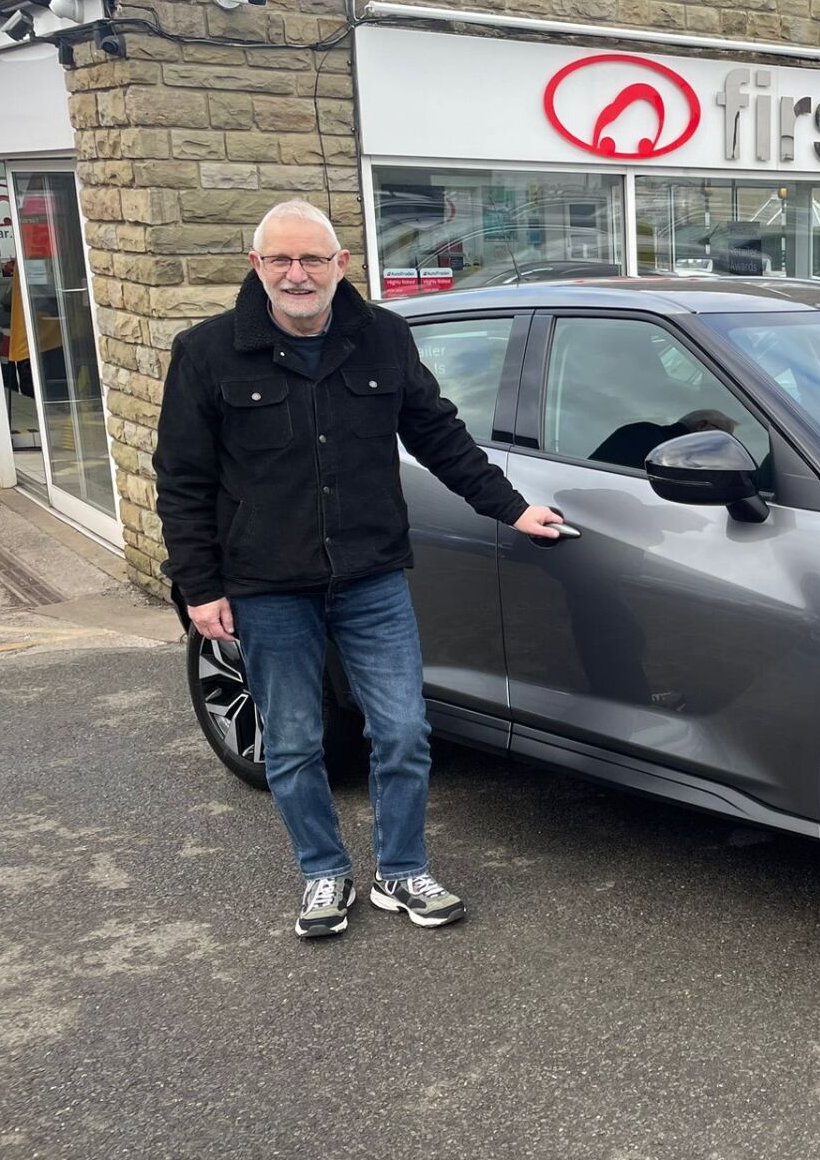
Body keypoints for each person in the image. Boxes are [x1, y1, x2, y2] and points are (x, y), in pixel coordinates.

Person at [154, 200, 565, 938]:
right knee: (293, 740)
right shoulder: (208, 353)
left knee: (404, 730)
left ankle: (402, 871)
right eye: (280, 259)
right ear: (257, 267)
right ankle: (322, 873)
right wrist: (198, 586)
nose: (297, 273)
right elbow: (182, 479)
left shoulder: (382, 336)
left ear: (341, 265)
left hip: (371, 576)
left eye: (312, 258)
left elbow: (438, 433)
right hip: (267, 584)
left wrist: (510, 508)